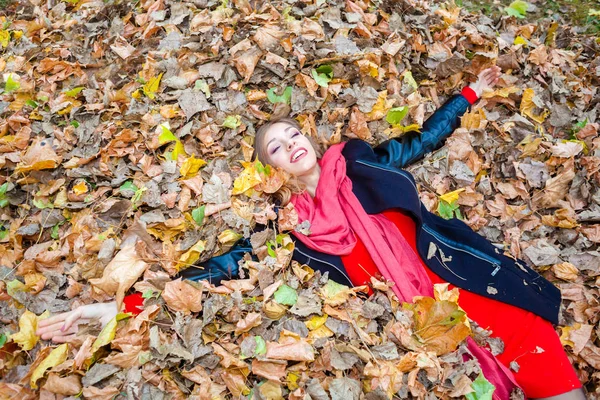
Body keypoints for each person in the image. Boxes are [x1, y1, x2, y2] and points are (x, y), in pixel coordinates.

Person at [37, 67, 585, 399]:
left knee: (550, 371)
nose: (293, 143)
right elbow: (214, 273)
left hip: (465, 286)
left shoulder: (360, 160)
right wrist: (121, 309)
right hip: (414, 338)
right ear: (272, 169)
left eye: (294, 132)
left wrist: (466, 96)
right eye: (277, 145)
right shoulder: (289, 228)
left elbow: (420, 141)